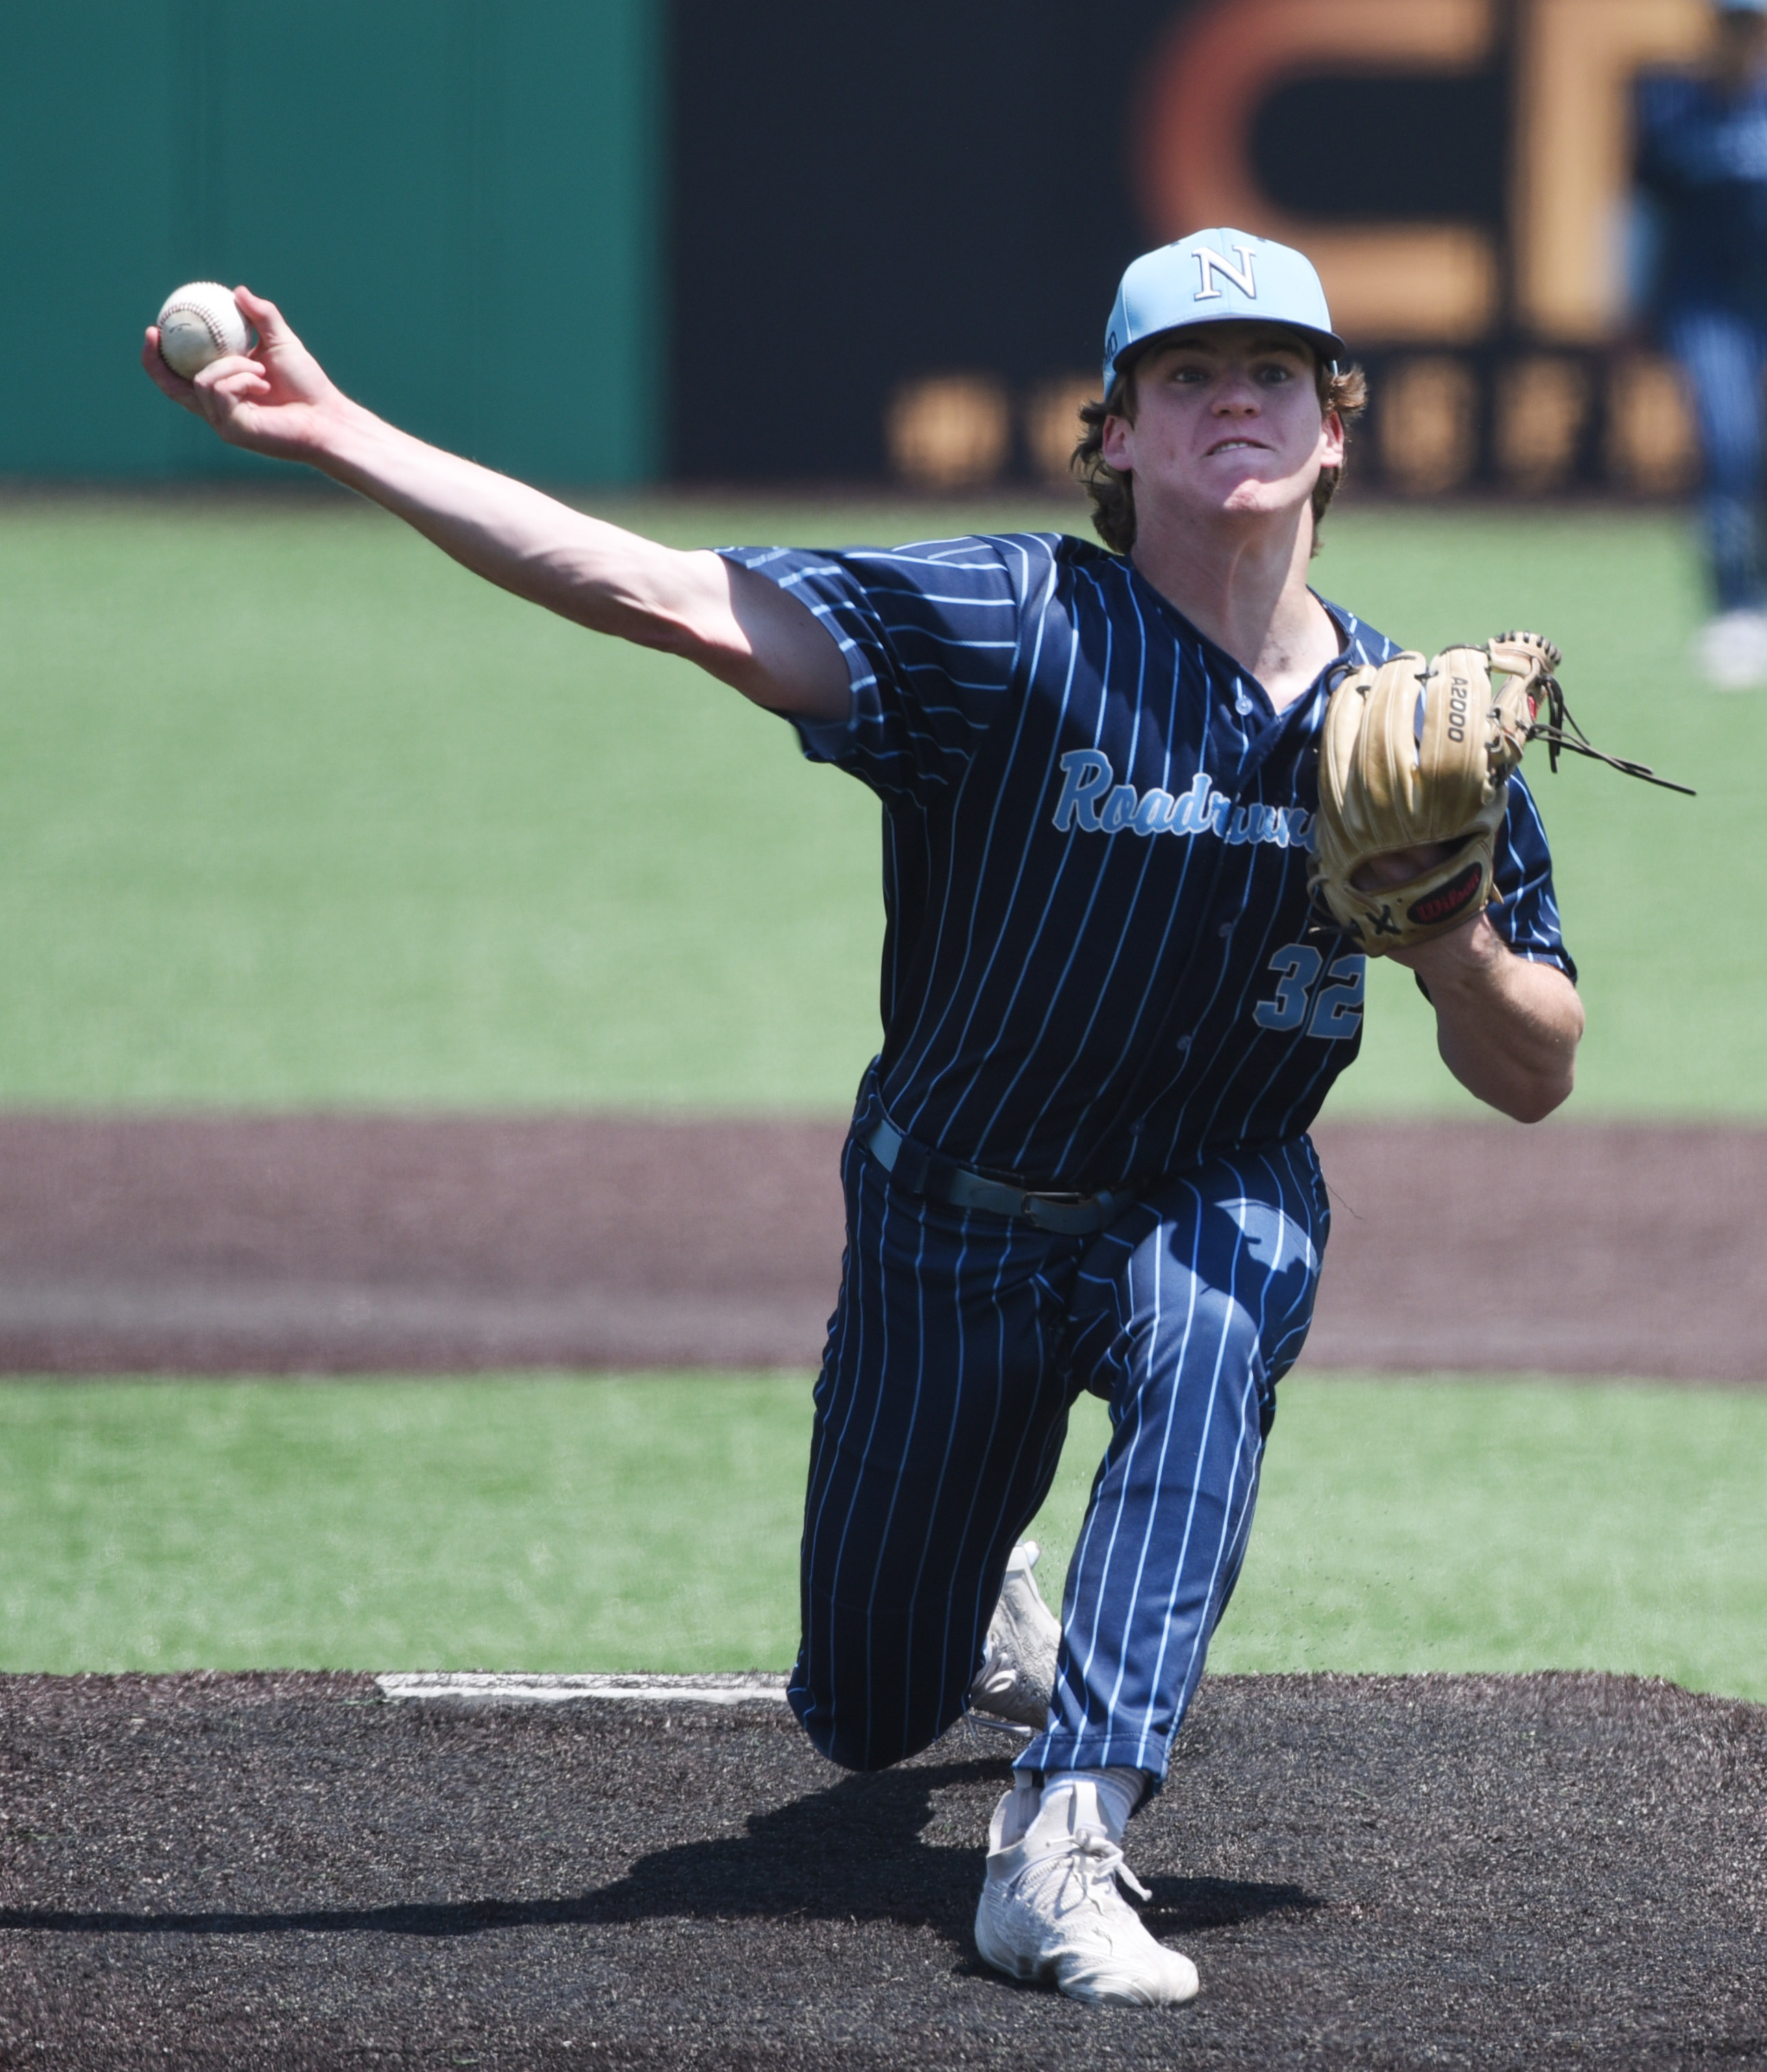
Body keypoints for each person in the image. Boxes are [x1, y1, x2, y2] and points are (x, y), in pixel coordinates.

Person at [142, 227, 1583, 2008]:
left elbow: (1534, 1066)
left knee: (1212, 1324)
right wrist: (346, 433)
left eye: (1270, 371)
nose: (1232, 399)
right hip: (952, 1219)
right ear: (1114, 436)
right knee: (863, 1713)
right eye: (1184, 375)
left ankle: (1065, 1833)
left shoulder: (1407, 727)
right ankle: (975, 1588)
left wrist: (1448, 939)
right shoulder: (1007, 623)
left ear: (1333, 426)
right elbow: (654, 591)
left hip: (1213, 1178)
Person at [1634, 0, 1767, 687]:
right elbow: (1642, 214)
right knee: (1729, 444)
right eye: (1733, 22)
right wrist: (1629, 304)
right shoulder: (1671, 105)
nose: (1742, 35)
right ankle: (1734, 607)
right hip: (1708, 307)